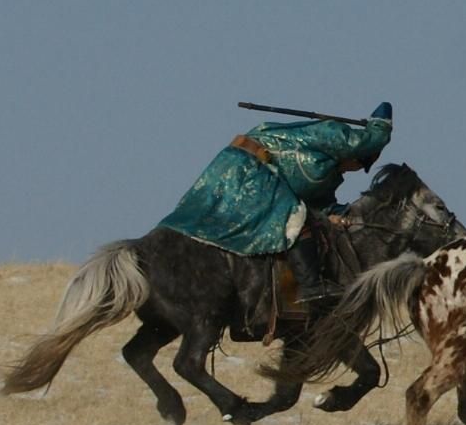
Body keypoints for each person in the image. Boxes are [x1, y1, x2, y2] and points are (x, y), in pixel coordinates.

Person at [159, 102, 393, 302]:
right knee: (292, 216)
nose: (356, 170)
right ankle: (310, 285)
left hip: (260, 176)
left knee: (302, 217)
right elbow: (368, 137)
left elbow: (322, 206)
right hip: (248, 167)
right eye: (361, 164)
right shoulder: (330, 133)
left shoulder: (330, 177)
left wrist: (341, 216)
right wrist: (381, 126)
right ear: (356, 153)